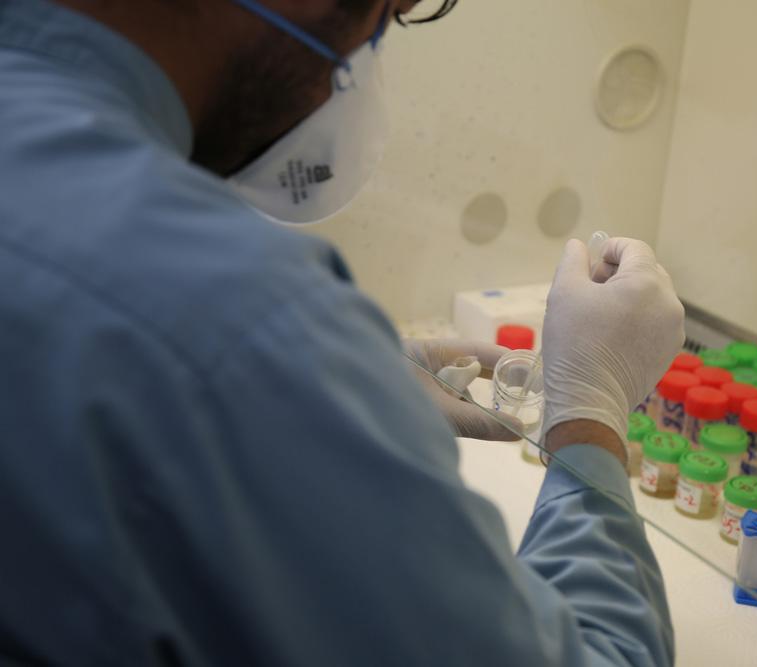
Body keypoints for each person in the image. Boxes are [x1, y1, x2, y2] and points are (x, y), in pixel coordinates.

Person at [0, 0, 686, 664]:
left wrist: (344, 381)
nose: (362, 61)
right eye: (385, 14)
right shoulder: (244, 321)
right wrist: (592, 416)